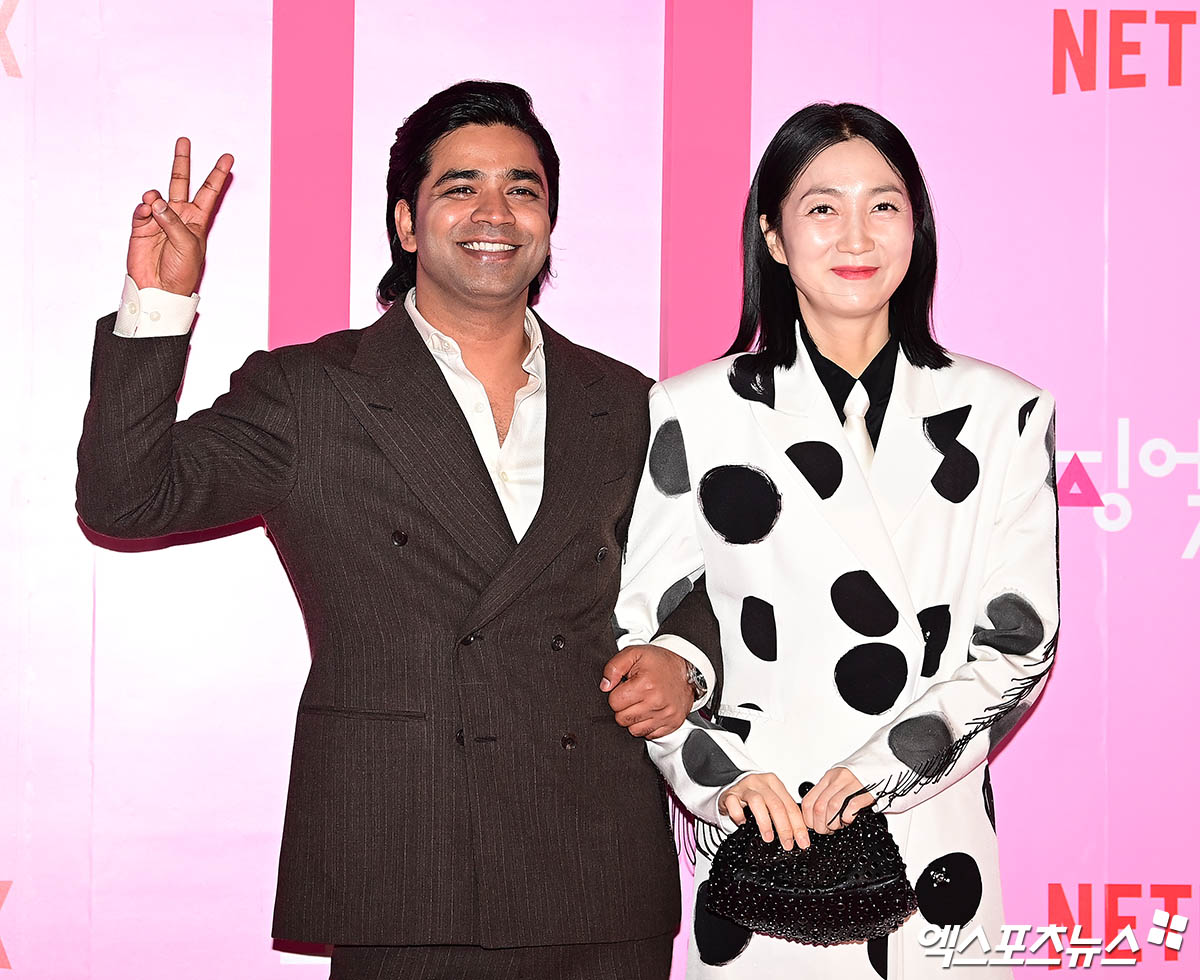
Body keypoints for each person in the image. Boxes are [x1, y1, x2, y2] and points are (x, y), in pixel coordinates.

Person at [76, 80, 722, 980]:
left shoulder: (628, 400)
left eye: (523, 189)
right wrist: (158, 303)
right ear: (407, 223)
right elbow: (127, 499)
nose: (494, 212)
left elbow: (708, 574)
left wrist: (685, 661)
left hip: (595, 861)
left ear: (547, 223)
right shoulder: (312, 393)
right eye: (460, 187)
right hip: (408, 855)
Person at [613, 102, 1059, 979]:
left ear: (916, 228)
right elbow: (648, 645)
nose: (856, 235)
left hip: (932, 838)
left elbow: (1020, 645)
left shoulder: (1005, 413)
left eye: (883, 205)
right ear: (773, 237)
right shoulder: (696, 412)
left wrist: (880, 769)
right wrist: (721, 780)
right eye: (822, 207)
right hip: (763, 834)